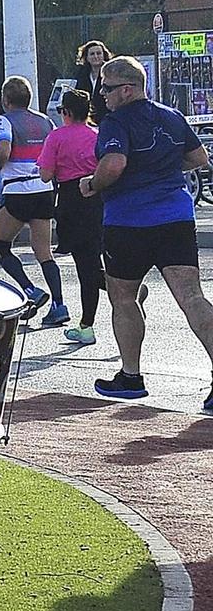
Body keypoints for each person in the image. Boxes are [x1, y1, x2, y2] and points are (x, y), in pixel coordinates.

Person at [82, 57, 213, 411]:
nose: (102, 94)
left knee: (123, 297)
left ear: (126, 89)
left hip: (129, 221)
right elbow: (199, 157)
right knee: (191, 297)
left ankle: (131, 376)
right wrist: (163, 170)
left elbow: (114, 164)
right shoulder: (171, 115)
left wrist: (93, 184)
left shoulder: (116, 122)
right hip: (176, 216)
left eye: (106, 88)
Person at [0, 77, 65, 321]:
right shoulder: (45, 121)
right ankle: (59, 305)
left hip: (18, 192)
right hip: (43, 190)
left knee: (0, 246)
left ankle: (31, 289)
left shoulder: (4, 119)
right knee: (44, 251)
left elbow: (3, 149)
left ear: (5, 100)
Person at [38, 89, 104, 345]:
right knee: (92, 258)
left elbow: (45, 174)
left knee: (85, 267)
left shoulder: (57, 136)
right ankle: (91, 319)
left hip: (70, 199)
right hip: (97, 197)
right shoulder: (97, 135)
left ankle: (88, 325)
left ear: (65, 112)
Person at [71, 40, 113, 125]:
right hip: (86, 120)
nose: (96, 56)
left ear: (104, 55)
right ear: (86, 57)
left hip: (107, 118)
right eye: (92, 54)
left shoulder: (111, 73)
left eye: (98, 53)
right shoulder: (81, 74)